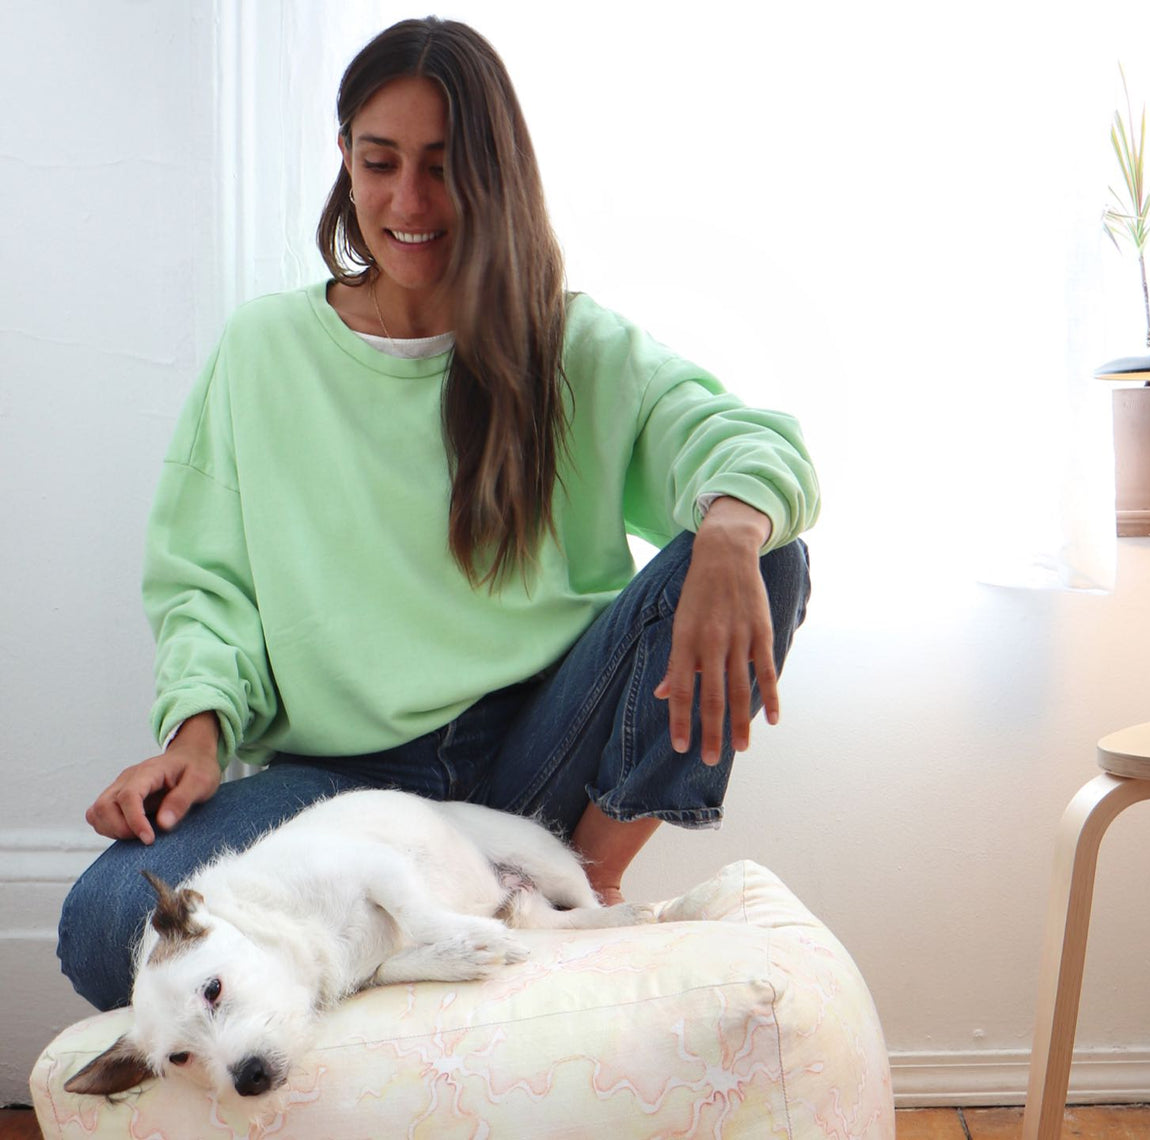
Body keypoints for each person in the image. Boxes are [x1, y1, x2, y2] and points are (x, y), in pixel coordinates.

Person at [58, 16, 816, 1013]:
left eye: (443, 167)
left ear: (494, 176)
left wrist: (727, 529)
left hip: (534, 760)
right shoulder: (263, 353)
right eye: (381, 163)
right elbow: (208, 587)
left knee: (764, 553)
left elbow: (751, 445)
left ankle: (578, 884)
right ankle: (430, 919)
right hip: (335, 794)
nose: (408, 202)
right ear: (345, 160)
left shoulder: (567, 345)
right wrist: (195, 740)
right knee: (107, 921)